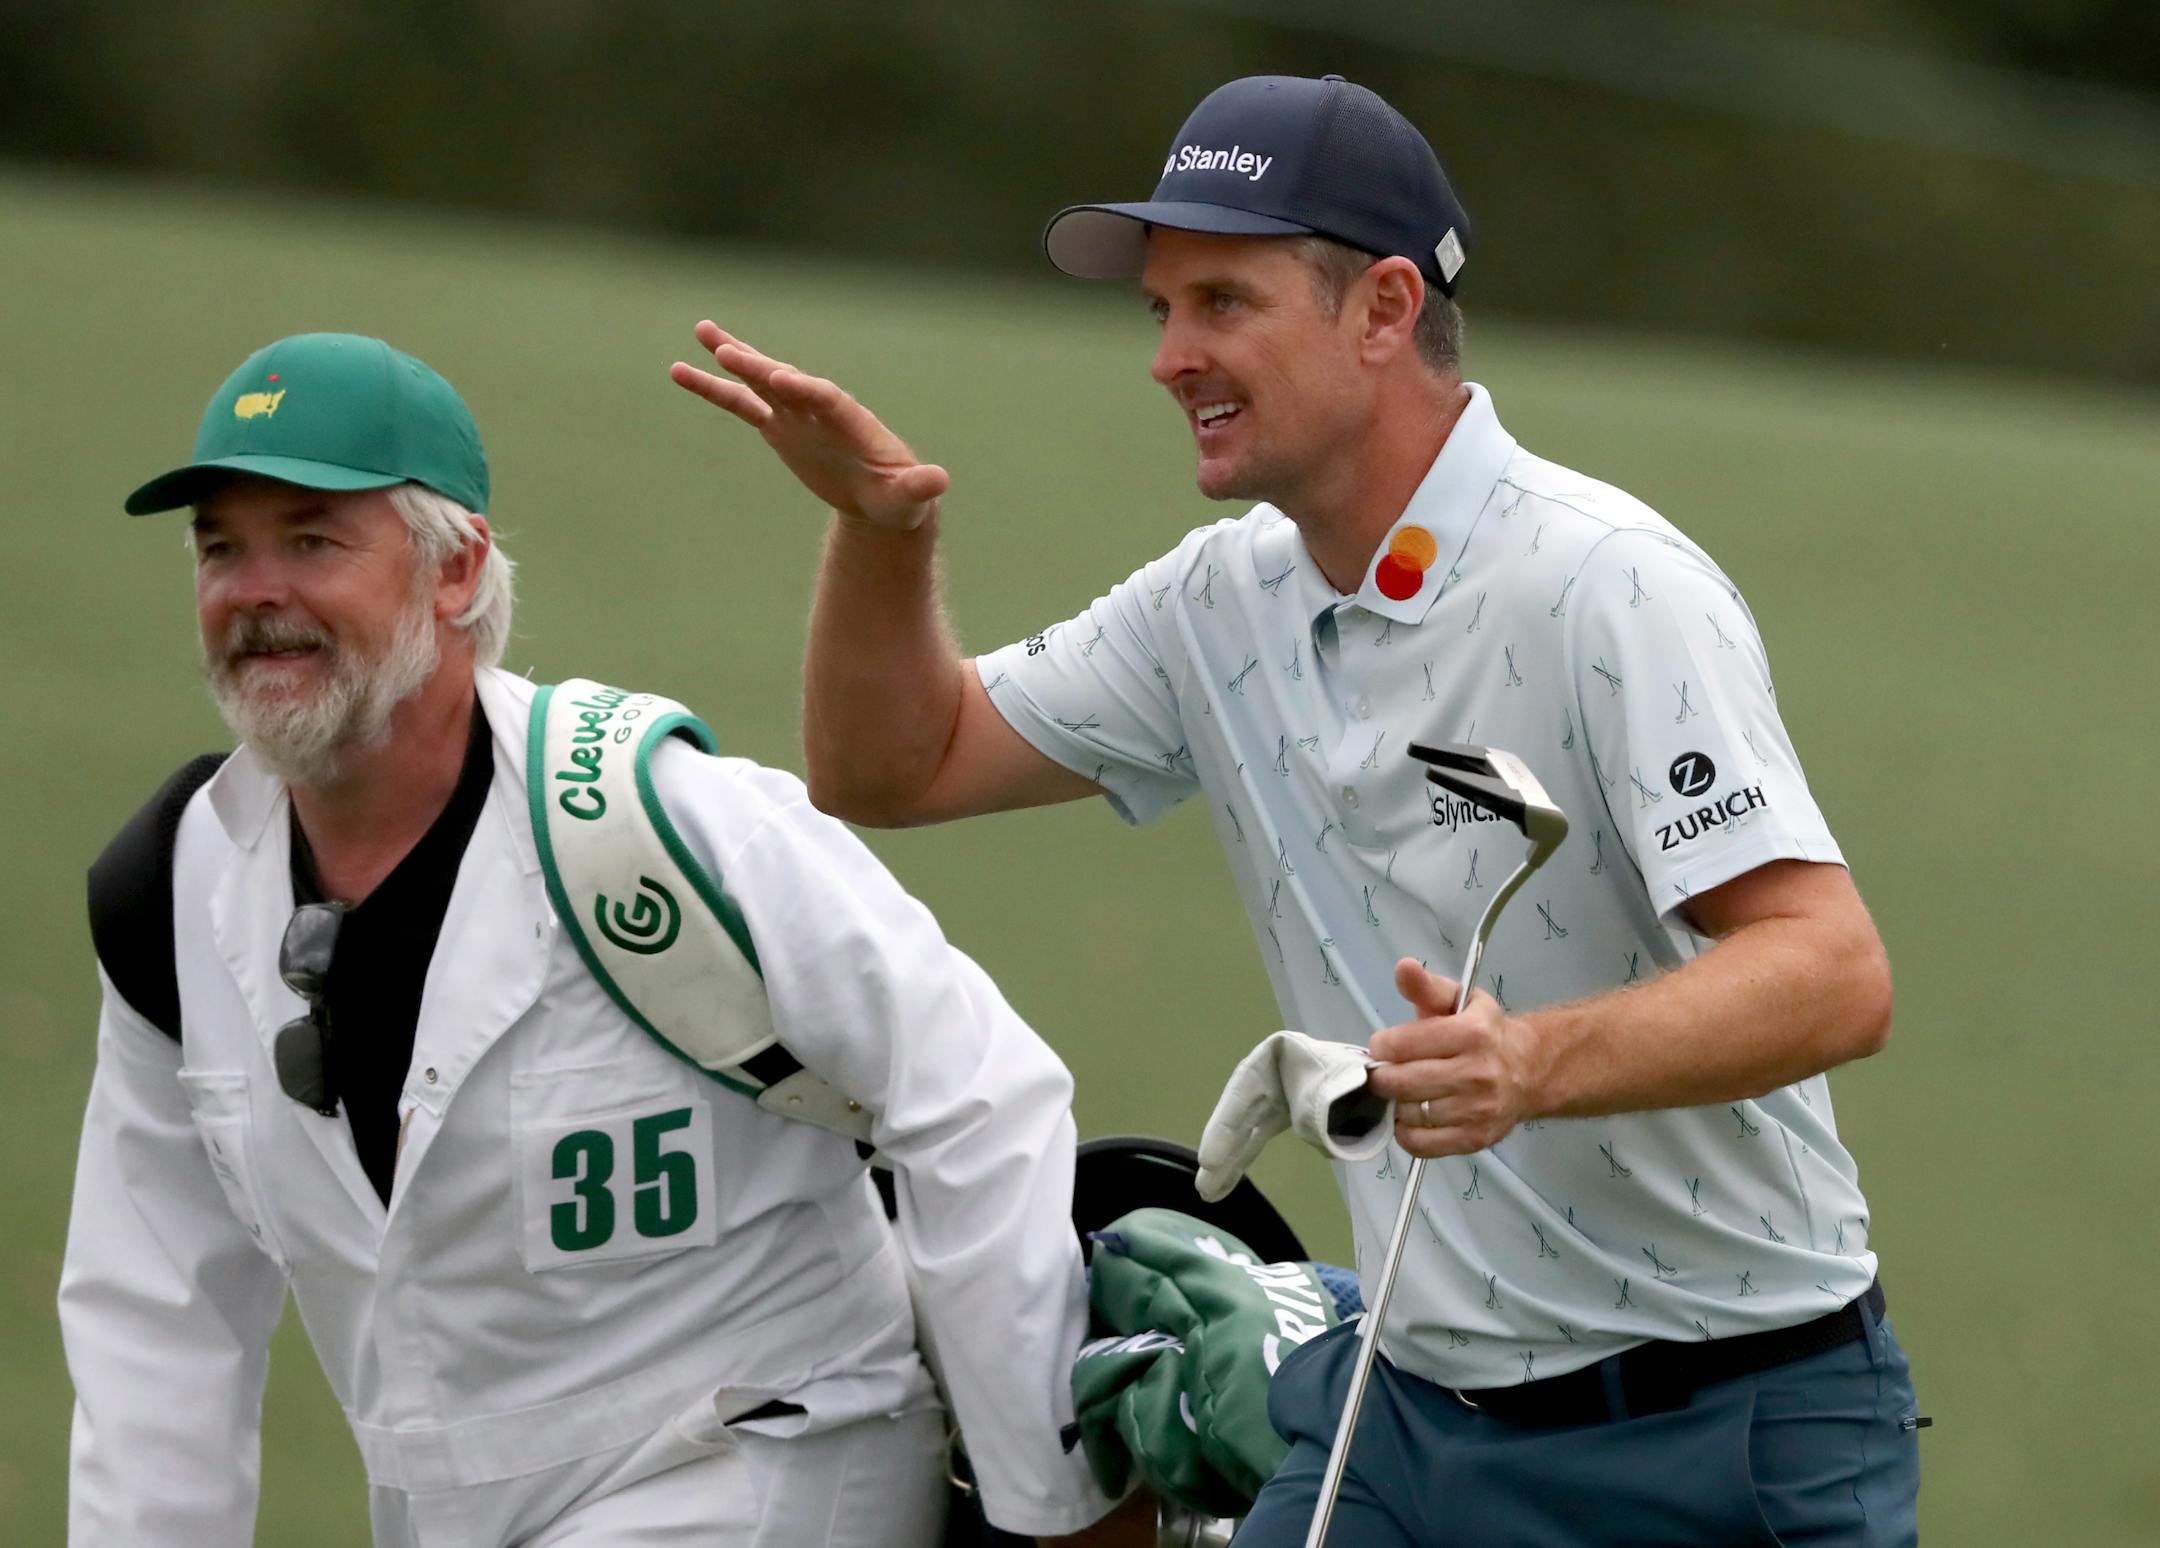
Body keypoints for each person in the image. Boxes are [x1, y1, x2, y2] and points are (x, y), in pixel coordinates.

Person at [671, 74, 1923, 1547]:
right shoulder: (1219, 599)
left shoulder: (1607, 584)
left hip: (1722, 1427)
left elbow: (1834, 970)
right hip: (1417, 1415)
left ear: (1384, 309)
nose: (1170, 356)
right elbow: (894, 766)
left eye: (1222, 303)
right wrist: (881, 535)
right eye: (1160, 312)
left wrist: (1530, 1060)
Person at [61, 331, 1140, 1548]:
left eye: (311, 539)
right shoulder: (170, 895)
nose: (254, 592)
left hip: (762, 1458)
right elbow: (155, 1310)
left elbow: (973, 1087)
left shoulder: (649, 816)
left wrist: (1056, 1505)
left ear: (455, 570)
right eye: (221, 549)